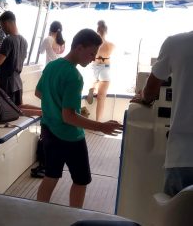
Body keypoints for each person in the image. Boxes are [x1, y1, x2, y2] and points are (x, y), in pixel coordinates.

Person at [35, 28, 122, 208]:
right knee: (81, 180)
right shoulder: (74, 77)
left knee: (51, 176)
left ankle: (38, 213)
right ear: (79, 48)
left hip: (49, 130)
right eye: (91, 53)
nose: (93, 59)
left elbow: (39, 92)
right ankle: (76, 215)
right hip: (70, 137)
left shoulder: (52, 66)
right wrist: (101, 126)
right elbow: (69, 117)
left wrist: (54, 104)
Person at [131, 31, 193, 197]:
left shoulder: (176, 43)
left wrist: (144, 98)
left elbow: (151, 90)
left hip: (183, 156)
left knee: (177, 217)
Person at [0, 10, 41, 116]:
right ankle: (47, 111)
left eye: (2, 25)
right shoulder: (24, 41)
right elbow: (17, 57)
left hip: (8, 83)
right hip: (17, 81)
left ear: (7, 23)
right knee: (20, 106)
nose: (2, 28)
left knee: (15, 110)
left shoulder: (8, 40)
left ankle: (45, 113)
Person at [86, 20, 115, 122]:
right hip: (104, 68)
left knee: (95, 80)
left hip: (94, 67)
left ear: (97, 30)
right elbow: (109, 53)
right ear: (106, 31)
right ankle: (98, 122)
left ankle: (92, 88)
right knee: (101, 97)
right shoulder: (110, 45)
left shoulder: (94, 45)